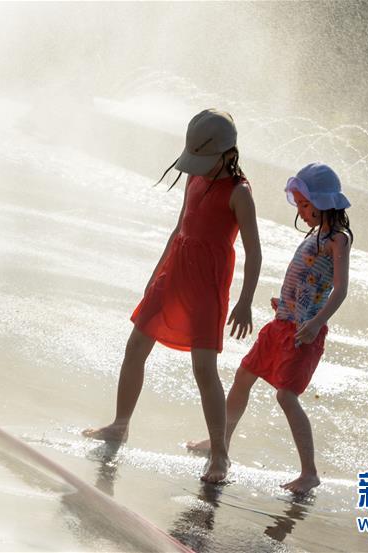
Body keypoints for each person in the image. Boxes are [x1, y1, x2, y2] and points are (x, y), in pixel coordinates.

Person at [83, 109, 262, 483]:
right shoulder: (195, 177)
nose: (199, 168)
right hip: (175, 271)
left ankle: (219, 454)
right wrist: (156, 274)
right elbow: (179, 227)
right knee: (136, 345)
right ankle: (120, 423)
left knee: (204, 368)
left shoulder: (239, 193)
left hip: (208, 285)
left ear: (228, 154)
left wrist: (245, 301)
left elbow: (254, 251)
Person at [187, 162, 353, 494]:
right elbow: (308, 279)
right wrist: (288, 303)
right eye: (301, 205)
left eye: (307, 205)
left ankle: (309, 472)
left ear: (324, 201)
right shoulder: (315, 234)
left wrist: (315, 322)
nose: (303, 212)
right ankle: (220, 442)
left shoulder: (339, 239)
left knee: (286, 395)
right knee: (243, 376)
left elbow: (340, 289)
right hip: (281, 325)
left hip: (303, 333)